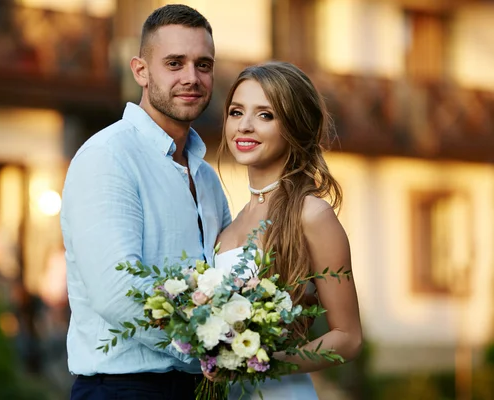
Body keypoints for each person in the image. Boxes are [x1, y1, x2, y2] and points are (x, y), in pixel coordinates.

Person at [60, 4, 231, 400]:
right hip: (124, 389)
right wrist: (213, 345)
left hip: (202, 388)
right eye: (175, 63)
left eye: (203, 65)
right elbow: (117, 293)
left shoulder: (207, 179)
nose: (191, 77)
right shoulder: (108, 156)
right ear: (140, 70)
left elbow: (226, 278)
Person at [211, 61, 363, 399]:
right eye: (236, 112)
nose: (245, 126)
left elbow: (348, 337)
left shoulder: (312, 213)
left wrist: (269, 361)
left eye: (265, 115)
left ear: (294, 126)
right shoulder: (233, 222)